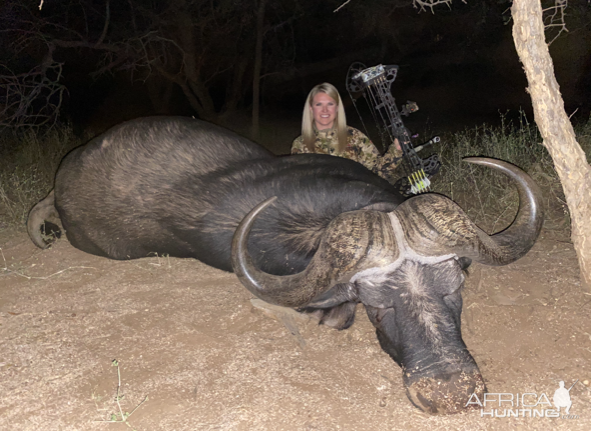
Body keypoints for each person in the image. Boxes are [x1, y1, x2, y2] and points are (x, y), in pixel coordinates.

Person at [291, 82, 403, 183]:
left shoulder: (355, 136)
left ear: (337, 108)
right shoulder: (300, 144)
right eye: (319, 104)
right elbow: (299, 183)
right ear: (311, 108)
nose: (325, 110)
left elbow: (378, 173)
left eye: (330, 104)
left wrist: (397, 149)